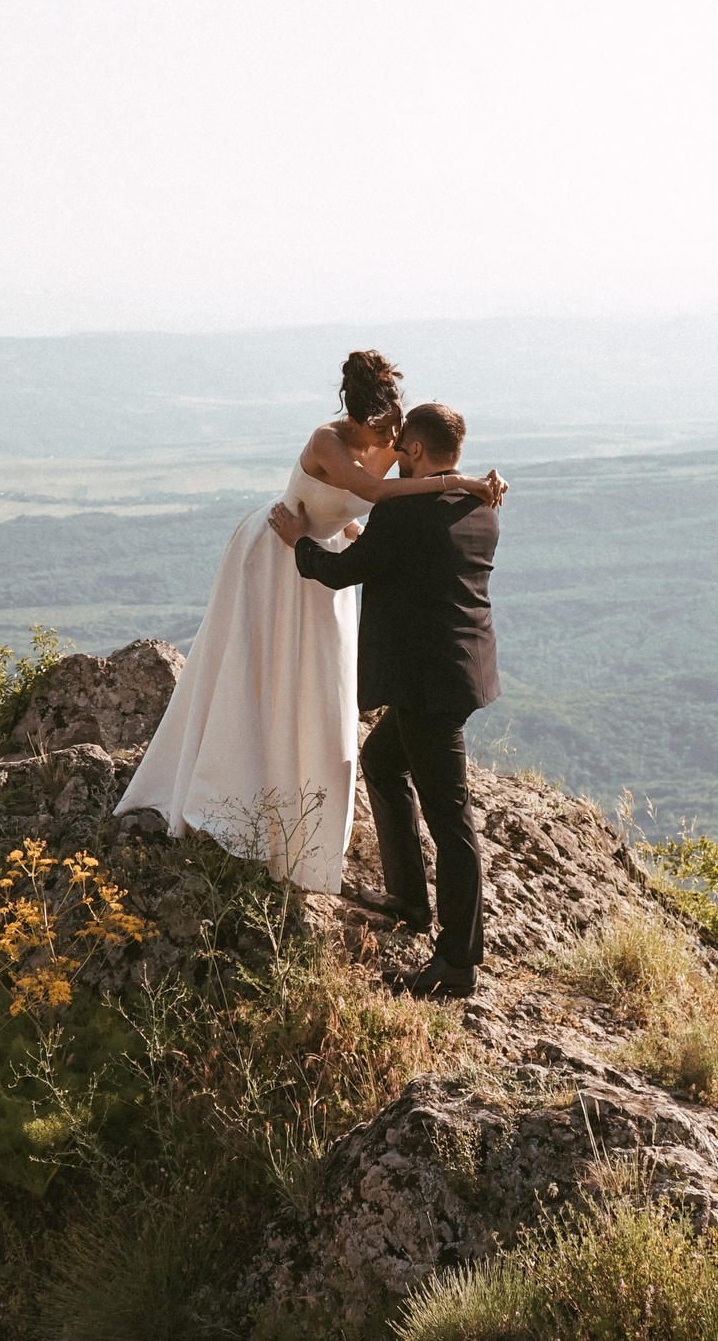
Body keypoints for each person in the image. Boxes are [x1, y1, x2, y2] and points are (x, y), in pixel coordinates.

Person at [113, 353, 503, 894]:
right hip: (278, 552)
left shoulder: (389, 437)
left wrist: (446, 491)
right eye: (382, 429)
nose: (390, 442)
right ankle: (233, 783)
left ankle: (300, 796)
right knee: (257, 672)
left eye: (396, 432)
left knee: (318, 688)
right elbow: (374, 494)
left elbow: (408, 489)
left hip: (323, 563)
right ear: (358, 415)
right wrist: (461, 483)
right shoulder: (327, 441)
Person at [266, 401, 499, 1000]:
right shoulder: (478, 507)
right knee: (382, 761)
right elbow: (415, 562)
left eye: (401, 448)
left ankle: (457, 961)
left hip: (426, 684)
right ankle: (408, 900)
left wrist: (300, 542)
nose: (394, 456)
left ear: (417, 451)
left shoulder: (410, 513)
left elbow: (346, 574)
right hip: (458, 672)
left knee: (451, 819)